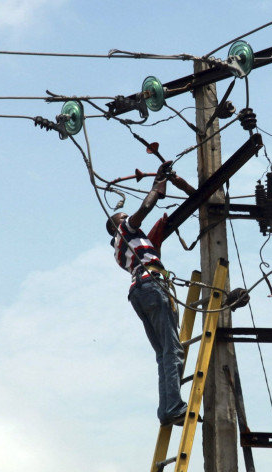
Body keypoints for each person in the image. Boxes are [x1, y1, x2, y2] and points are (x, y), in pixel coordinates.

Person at [106, 160, 195, 426]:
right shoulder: (125, 230)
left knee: (163, 354)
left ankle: (167, 410)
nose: (128, 218)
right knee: (173, 351)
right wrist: (159, 183)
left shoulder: (122, 251)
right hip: (152, 286)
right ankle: (173, 408)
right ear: (117, 225)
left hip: (139, 292)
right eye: (123, 217)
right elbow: (144, 209)